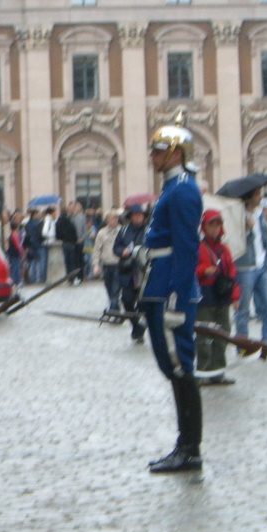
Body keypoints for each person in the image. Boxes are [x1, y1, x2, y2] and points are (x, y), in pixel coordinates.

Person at [142, 113, 205, 474]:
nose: (153, 155)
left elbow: (186, 250)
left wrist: (178, 301)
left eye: (159, 150)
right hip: (158, 282)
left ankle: (190, 447)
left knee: (180, 366)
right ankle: (185, 444)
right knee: (172, 367)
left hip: (169, 288)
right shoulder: (172, 186)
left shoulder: (182, 189)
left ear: (177, 152)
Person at [195, 209, 239, 386]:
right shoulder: (197, 248)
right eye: (211, 224)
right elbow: (190, 272)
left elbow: (232, 274)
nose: (214, 227)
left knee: (223, 335)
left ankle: (218, 371)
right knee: (204, 337)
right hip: (204, 296)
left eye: (217, 224)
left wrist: (235, 297)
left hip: (222, 296)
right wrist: (203, 271)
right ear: (204, 226)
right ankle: (203, 372)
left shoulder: (224, 249)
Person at [232, 183, 267, 350]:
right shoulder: (237, 215)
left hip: (261, 266)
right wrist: (247, 229)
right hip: (244, 268)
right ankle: (242, 344)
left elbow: (265, 240)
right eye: (258, 194)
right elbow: (235, 242)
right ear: (249, 196)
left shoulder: (259, 214)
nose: (260, 197)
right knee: (243, 309)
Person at [113, 204, 149, 342]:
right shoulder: (124, 231)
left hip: (145, 272)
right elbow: (116, 247)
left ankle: (141, 325)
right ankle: (136, 325)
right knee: (127, 301)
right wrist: (122, 251)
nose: (137, 217)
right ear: (130, 217)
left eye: (140, 215)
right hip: (128, 272)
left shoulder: (149, 230)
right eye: (135, 215)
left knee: (144, 303)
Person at [91, 209, 122, 312]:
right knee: (109, 289)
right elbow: (97, 250)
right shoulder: (101, 233)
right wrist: (95, 265)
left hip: (118, 264)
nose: (114, 220)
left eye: (116, 218)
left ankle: (113, 310)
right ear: (107, 220)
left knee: (115, 290)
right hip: (106, 265)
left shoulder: (121, 231)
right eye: (112, 218)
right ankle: (115, 308)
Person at [55, 206, 77, 284]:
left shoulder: (58, 222)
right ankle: (73, 278)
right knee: (72, 262)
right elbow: (74, 232)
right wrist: (75, 241)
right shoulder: (69, 221)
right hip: (71, 243)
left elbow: (57, 234)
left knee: (67, 262)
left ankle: (68, 278)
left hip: (64, 243)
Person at [23, 208, 46, 284]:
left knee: (33, 263)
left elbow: (27, 236)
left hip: (31, 246)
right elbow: (41, 234)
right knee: (41, 263)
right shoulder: (38, 224)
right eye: (38, 214)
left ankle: (33, 278)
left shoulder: (27, 224)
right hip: (39, 244)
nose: (39, 215)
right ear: (35, 215)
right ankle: (42, 278)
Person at [5, 209, 26, 288]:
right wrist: (22, 252)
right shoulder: (14, 235)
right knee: (15, 268)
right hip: (15, 254)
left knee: (16, 267)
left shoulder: (13, 234)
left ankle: (17, 281)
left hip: (13, 253)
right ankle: (15, 281)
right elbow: (18, 245)